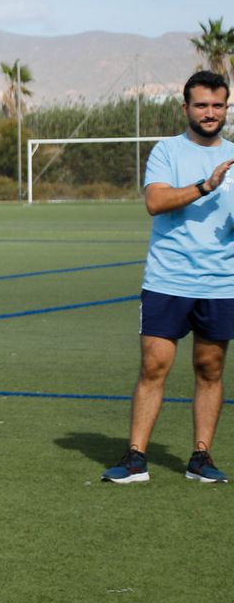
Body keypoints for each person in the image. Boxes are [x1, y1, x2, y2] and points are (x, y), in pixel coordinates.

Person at [103, 70, 234, 485]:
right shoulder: (166, 151)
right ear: (186, 108)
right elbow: (156, 202)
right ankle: (136, 457)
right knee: (154, 367)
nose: (210, 113)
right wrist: (206, 184)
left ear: (226, 108)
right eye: (202, 105)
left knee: (210, 369)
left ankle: (200, 457)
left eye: (218, 105)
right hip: (167, 280)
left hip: (220, 284)